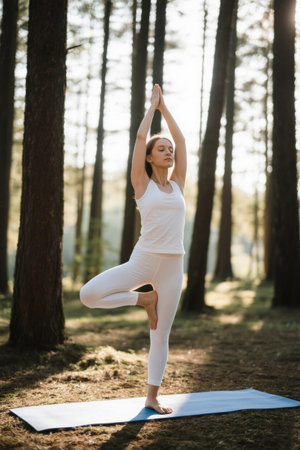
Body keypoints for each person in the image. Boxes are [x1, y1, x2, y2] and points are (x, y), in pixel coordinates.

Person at [80, 84, 187, 414]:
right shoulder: (142, 185)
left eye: (170, 149)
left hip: (173, 267)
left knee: (160, 334)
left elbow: (183, 142)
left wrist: (166, 109)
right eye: (162, 149)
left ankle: (152, 398)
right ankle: (143, 299)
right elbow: (140, 140)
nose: (169, 152)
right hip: (143, 262)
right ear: (150, 158)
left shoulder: (178, 184)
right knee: (88, 295)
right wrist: (151, 110)